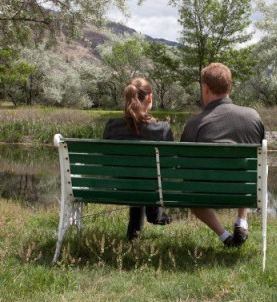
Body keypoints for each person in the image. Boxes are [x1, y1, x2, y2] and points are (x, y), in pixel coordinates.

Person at [181, 62, 265, 247]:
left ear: (206, 89)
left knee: (192, 191)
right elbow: (260, 158)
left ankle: (225, 236)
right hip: (246, 191)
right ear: (229, 87)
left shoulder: (195, 124)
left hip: (206, 193)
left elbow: (183, 167)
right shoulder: (253, 117)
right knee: (251, 169)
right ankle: (241, 220)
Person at [103, 77, 174, 240]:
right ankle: (155, 214)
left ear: (125, 99)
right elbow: (169, 165)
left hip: (119, 188)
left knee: (135, 176)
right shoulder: (161, 128)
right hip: (152, 188)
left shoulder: (112, 126)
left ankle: (135, 232)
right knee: (148, 176)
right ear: (149, 98)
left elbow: (106, 159)